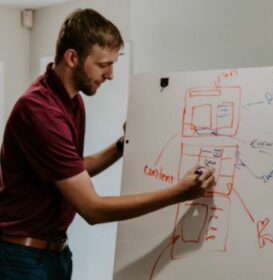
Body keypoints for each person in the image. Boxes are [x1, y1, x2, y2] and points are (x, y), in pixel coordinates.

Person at [0, 8, 216, 280]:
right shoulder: (41, 111)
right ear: (72, 57)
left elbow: (72, 170)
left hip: (54, 255)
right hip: (23, 259)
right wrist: (179, 193)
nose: (111, 74)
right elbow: (92, 209)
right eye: (103, 65)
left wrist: (120, 147)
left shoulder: (72, 101)